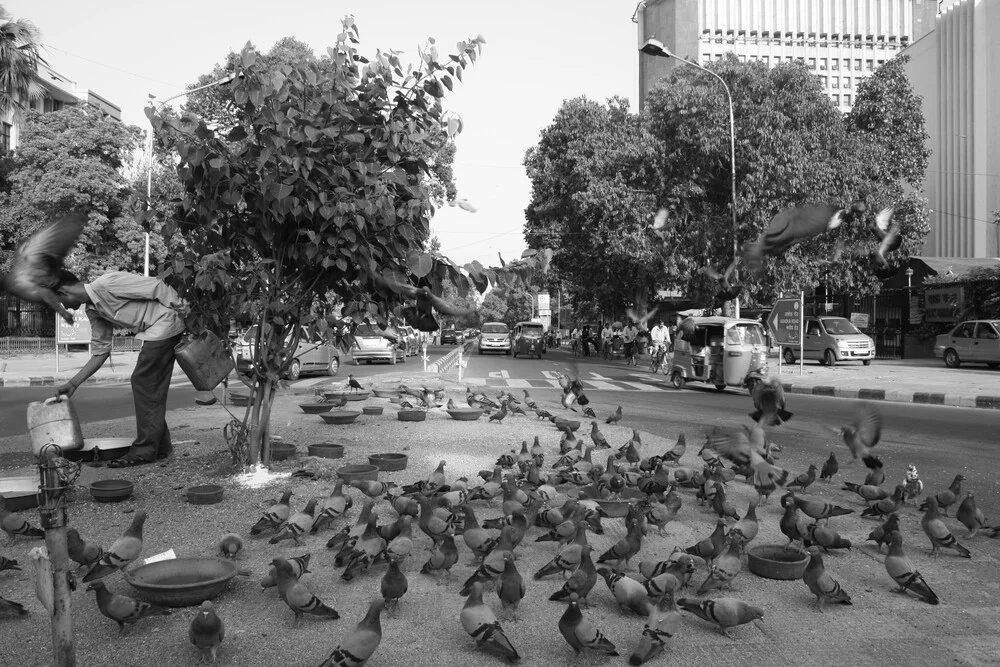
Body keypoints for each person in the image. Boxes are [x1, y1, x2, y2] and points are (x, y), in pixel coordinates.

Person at [55, 271, 187, 468]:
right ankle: (159, 446)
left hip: (166, 322)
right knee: (150, 385)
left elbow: (157, 287)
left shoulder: (106, 283)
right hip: (155, 330)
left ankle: (145, 449)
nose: (63, 307)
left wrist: (185, 312)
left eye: (59, 301)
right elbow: (101, 352)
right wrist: (73, 384)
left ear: (63, 291)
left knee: (143, 382)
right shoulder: (93, 310)